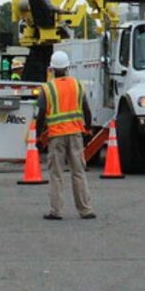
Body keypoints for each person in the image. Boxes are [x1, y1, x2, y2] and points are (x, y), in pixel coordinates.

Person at [35, 50, 95, 220]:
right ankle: (85, 210)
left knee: (56, 174)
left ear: (52, 69)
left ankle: (56, 211)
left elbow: (41, 116)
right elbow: (86, 110)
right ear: (68, 67)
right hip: (75, 134)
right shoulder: (78, 85)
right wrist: (88, 130)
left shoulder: (48, 89)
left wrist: (38, 137)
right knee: (78, 172)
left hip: (56, 136)